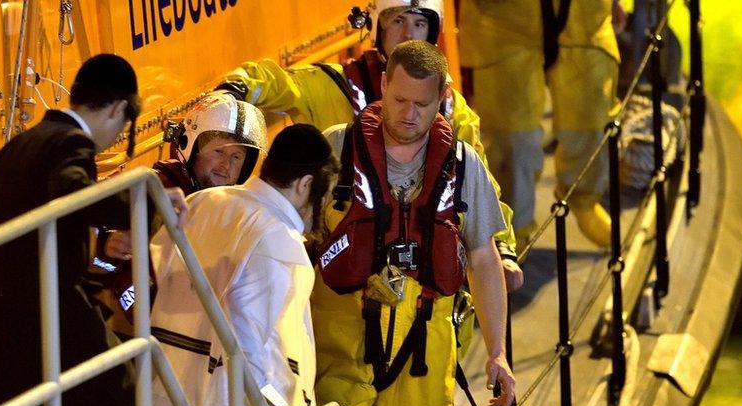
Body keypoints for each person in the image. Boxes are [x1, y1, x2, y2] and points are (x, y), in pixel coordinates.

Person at [302, 41, 516, 406]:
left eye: (421, 104)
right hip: (342, 347)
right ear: (383, 88)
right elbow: (288, 236)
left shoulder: (463, 165)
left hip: (422, 348)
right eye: (398, 100)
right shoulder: (337, 149)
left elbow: (483, 259)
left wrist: (499, 354)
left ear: (442, 97)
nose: (408, 114)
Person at [0, 54, 188, 406]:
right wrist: (144, 200)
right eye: (122, 129)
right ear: (116, 109)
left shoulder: (20, 145)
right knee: (119, 391)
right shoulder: (70, 144)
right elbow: (72, 195)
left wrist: (1, 302)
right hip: (46, 322)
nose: (114, 140)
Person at [217, 0, 523, 291]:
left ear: (433, 32)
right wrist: (231, 94)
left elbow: (482, 187)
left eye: (419, 23)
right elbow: (275, 82)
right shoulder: (332, 86)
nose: (408, 34)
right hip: (343, 300)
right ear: (377, 26)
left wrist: (503, 249)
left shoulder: (449, 109)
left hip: (424, 300)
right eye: (398, 21)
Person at [148, 124, 339, 406]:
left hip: (166, 405)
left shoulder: (204, 202)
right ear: (307, 184)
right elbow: (247, 338)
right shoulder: (275, 237)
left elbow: (160, 265)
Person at [458, 0, 621, 249]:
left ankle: (584, 198)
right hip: (503, 20)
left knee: (592, 117)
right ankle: (512, 231)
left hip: (585, 16)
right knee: (511, 137)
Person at [98, 92, 267, 321]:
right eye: (219, 152)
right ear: (191, 147)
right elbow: (86, 247)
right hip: (147, 333)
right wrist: (106, 246)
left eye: (237, 157)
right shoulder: (150, 189)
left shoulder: (237, 209)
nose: (226, 165)